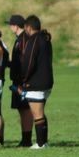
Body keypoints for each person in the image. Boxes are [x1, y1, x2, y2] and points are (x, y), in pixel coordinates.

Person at [19, 15, 53, 149]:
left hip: (36, 83)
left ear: (28, 27)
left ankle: (40, 143)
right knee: (41, 112)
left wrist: (24, 79)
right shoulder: (45, 39)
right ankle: (44, 141)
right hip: (47, 81)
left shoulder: (34, 40)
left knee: (37, 114)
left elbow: (29, 63)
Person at [6, 14, 33, 146]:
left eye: (10, 24)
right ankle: (24, 138)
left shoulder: (24, 39)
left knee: (26, 109)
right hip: (18, 80)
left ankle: (27, 139)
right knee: (22, 110)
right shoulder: (20, 39)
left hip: (22, 81)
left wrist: (23, 80)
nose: (10, 27)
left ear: (15, 26)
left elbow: (25, 60)